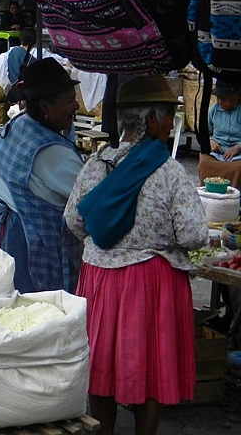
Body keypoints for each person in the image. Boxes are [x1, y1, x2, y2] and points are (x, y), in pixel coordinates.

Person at [64, 75, 208, 435]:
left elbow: (73, 219)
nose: (170, 124)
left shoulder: (97, 163)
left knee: (103, 367)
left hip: (99, 280)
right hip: (150, 282)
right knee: (149, 369)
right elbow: (193, 234)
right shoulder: (169, 172)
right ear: (149, 121)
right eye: (166, 116)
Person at [0, 57, 83, 293]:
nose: (76, 107)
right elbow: (88, 199)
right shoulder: (50, 152)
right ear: (45, 107)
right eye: (69, 101)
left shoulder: (17, 125)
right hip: (17, 243)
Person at [198, 80, 241, 189]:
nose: (220, 102)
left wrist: (238, 147)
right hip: (216, 152)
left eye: (224, 98)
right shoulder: (214, 109)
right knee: (204, 164)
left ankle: (233, 198)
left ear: (235, 97)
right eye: (218, 98)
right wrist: (211, 142)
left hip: (237, 154)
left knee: (238, 169)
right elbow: (205, 132)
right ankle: (209, 196)